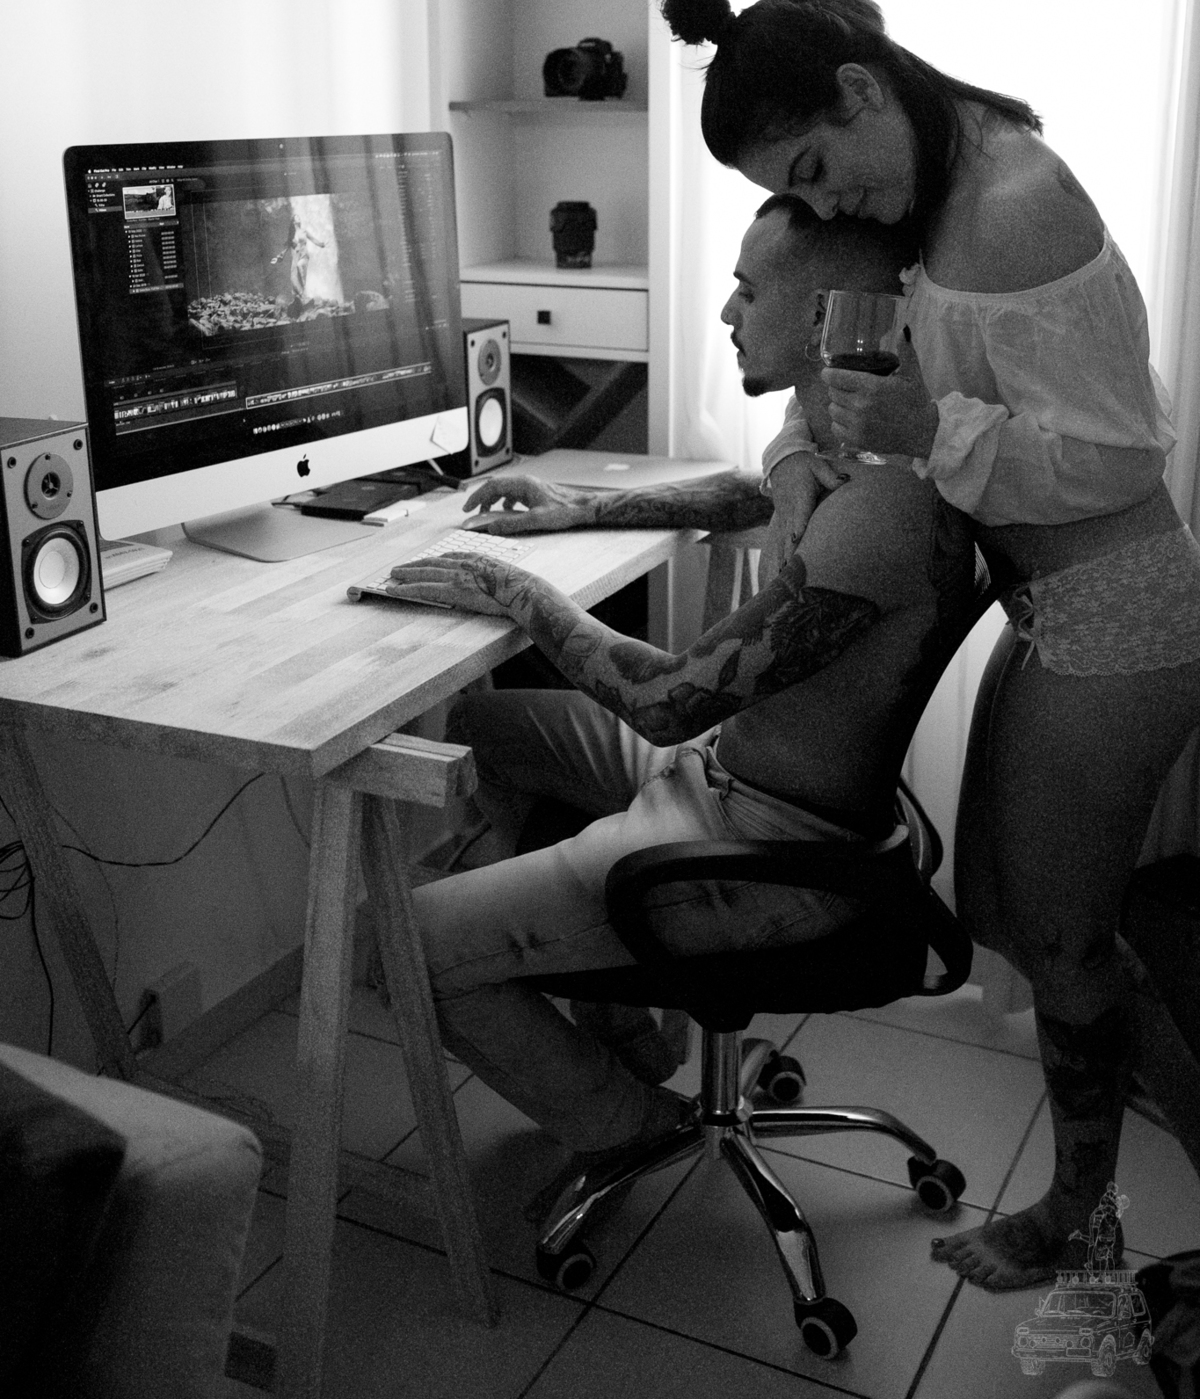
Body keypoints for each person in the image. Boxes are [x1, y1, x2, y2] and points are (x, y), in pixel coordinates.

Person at [657, 0, 1200, 1290]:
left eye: (815, 170)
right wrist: (802, 460)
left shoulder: (1011, 209)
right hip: (1052, 602)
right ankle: (1096, 1186)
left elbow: (1122, 457)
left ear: (860, 90)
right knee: (1024, 918)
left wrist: (931, 428)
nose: (826, 208)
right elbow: (840, 375)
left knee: (1065, 939)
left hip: (1120, 610)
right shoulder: (917, 187)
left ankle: (1075, 1213)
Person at [383, 205, 979, 1166]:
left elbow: (666, 703)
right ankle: (630, 1029)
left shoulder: (883, 516)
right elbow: (748, 493)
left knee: (400, 945)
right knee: (488, 725)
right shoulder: (854, 454)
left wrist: (516, 588)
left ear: (827, 315)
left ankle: (629, 1126)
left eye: (749, 290)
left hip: (761, 844)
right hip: (722, 772)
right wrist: (578, 510)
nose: (728, 313)